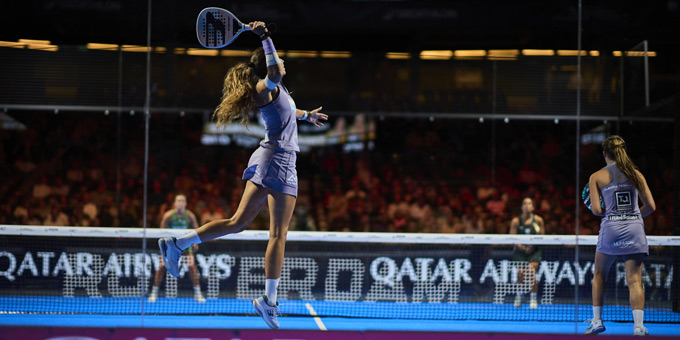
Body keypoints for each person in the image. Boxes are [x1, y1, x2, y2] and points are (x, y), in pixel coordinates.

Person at [157, 21, 327, 329]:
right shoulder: (266, 87)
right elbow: (275, 71)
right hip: (280, 161)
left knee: (238, 223)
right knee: (278, 235)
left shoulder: (279, 92)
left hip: (268, 159)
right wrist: (264, 36)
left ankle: (177, 244)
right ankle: (269, 302)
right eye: (279, 59)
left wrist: (307, 115)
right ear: (267, 64)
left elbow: (289, 109)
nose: (283, 63)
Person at [584, 135, 655, 336]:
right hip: (634, 229)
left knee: (599, 274)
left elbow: (597, 211)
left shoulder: (596, 176)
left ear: (604, 154)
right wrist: (630, 216)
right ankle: (639, 327)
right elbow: (651, 206)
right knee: (634, 280)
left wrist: (616, 215)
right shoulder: (636, 174)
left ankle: (597, 321)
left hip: (611, 230)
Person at [149, 194, 205, 303]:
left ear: (185, 204)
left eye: (182, 201)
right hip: (171, 245)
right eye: (178, 201)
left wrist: (195, 242)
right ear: (174, 203)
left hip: (185, 244)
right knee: (161, 267)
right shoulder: (168, 215)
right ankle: (154, 293)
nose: (180, 203)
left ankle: (197, 293)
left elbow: (196, 229)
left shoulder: (189, 215)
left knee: (192, 267)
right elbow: (162, 231)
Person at [509, 197, 545, 309]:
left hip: (534, 251)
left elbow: (543, 237)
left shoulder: (538, 220)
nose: (527, 205)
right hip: (520, 252)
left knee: (531, 271)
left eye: (529, 203)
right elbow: (512, 238)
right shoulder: (516, 221)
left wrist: (531, 246)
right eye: (525, 203)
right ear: (521, 207)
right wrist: (524, 248)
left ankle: (533, 298)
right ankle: (518, 296)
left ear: (533, 207)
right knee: (521, 275)